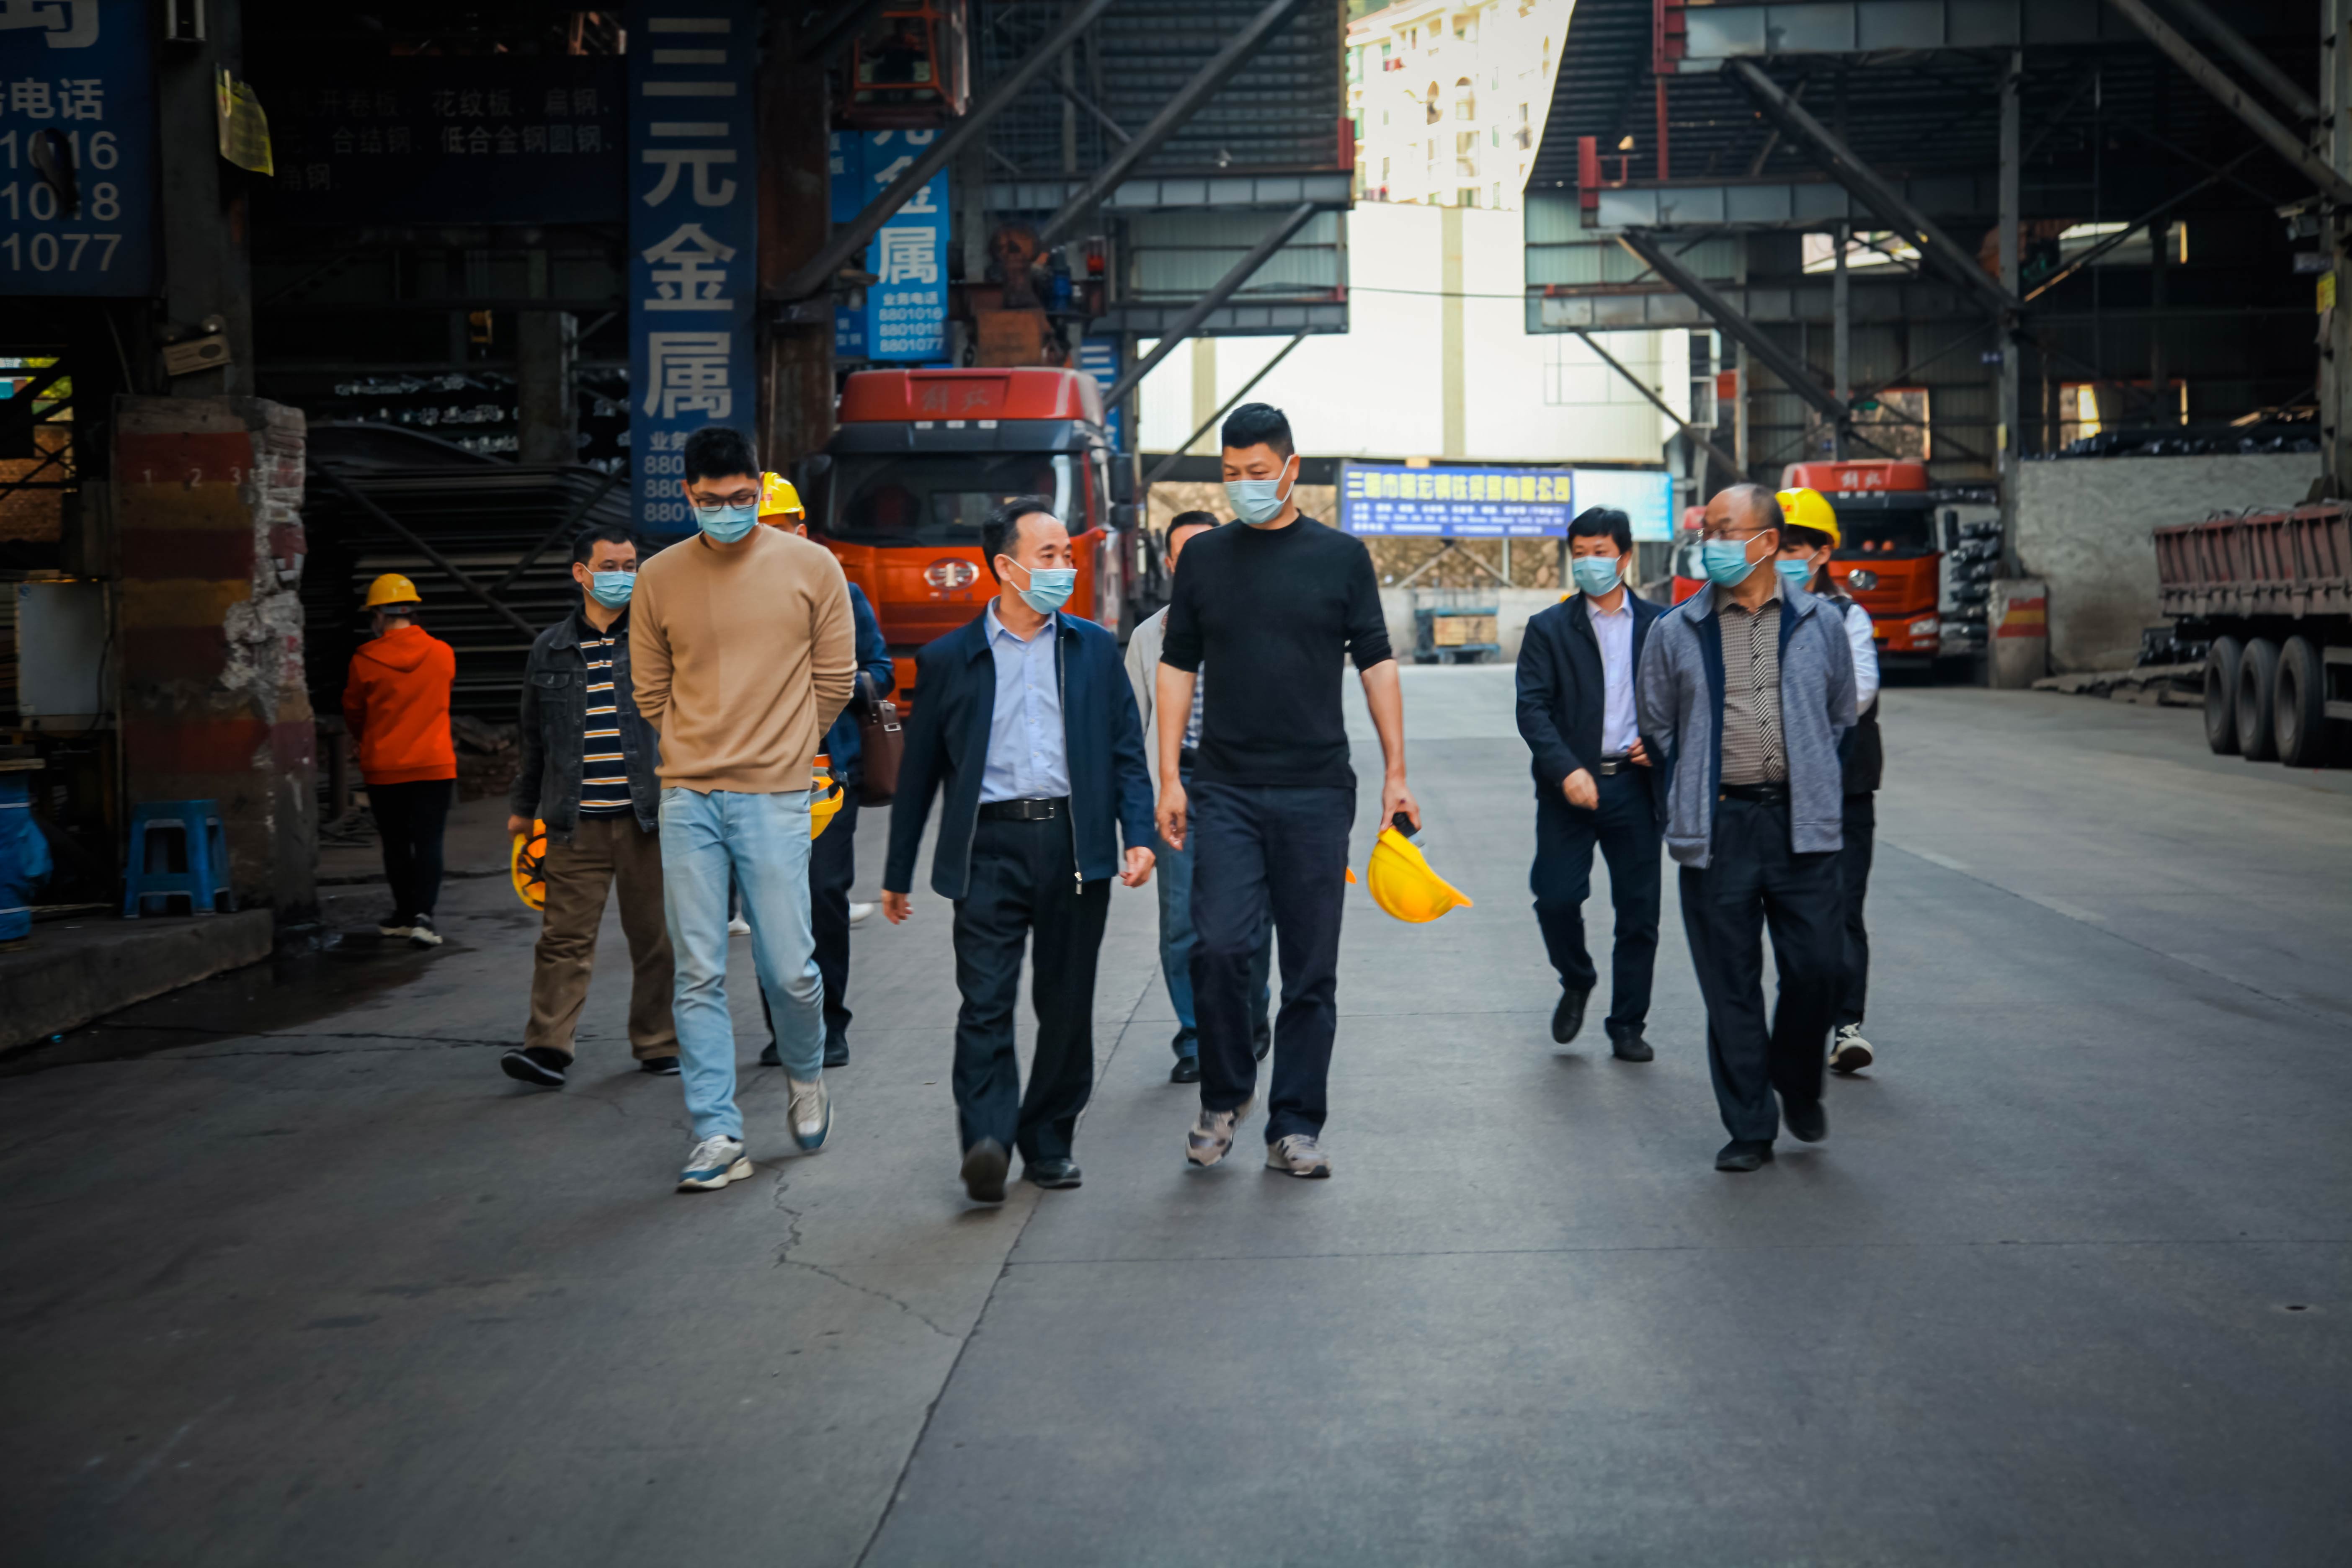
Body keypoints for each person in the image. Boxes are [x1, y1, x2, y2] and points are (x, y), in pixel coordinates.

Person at [1157, 403, 1418, 1181]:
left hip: (1316, 790)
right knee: (1218, 947)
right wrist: (1169, 776)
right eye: (1231, 474)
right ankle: (1225, 1094)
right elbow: (1177, 665)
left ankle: (1296, 1124)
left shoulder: (1340, 557)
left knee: (1310, 968)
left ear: (1291, 469)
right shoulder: (1204, 559)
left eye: (1258, 472)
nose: (1244, 485)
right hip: (1225, 787)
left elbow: (1377, 662)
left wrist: (1396, 772)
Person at [881, 497, 1155, 1203]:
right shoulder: (949, 659)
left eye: (1068, 554)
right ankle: (987, 1140)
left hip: (1073, 843)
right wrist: (897, 870)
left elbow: (1126, 751)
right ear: (1006, 567)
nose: (1065, 566)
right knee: (984, 1001)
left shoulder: (1093, 649)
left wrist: (1138, 834)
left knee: (1066, 1004)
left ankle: (1049, 1141)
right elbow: (920, 773)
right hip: (987, 848)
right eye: (1049, 555)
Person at [631, 426, 856, 1194]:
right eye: (710, 500)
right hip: (688, 793)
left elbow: (835, 677)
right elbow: (650, 686)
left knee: (789, 968)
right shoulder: (659, 576)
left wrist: (786, 750)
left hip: (775, 792)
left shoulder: (812, 567)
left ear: (759, 489)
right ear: (687, 495)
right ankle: (717, 1132)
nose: (726, 511)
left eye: (740, 498)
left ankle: (805, 1074)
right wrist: (693, 747)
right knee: (696, 969)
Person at [1638, 483, 1856, 1173]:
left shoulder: (1821, 623)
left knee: (1818, 967)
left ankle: (1796, 1075)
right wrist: (1693, 793)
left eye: (1725, 531)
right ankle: (1750, 1126)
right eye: (1708, 531)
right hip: (1719, 827)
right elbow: (1658, 725)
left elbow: (1840, 714)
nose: (1712, 544)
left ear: (1766, 541)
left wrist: (1810, 777)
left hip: (1801, 824)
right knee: (1729, 983)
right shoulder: (1676, 630)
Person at [499, 526, 678, 1088]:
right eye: (611, 566)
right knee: (563, 941)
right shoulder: (549, 649)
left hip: (648, 821)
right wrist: (523, 808)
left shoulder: (656, 640)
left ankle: (657, 1042)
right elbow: (534, 737)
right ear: (581, 573)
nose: (624, 576)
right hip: (574, 825)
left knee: (656, 941)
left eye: (631, 566)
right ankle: (548, 1049)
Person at [1123, 510, 1273, 1085]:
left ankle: (1251, 1016)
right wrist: (1139, 819)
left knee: (1251, 921)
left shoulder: (1260, 623)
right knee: (1183, 923)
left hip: (1248, 788)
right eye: (1186, 553)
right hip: (1180, 791)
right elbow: (1131, 730)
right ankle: (1195, 1037)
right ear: (1169, 565)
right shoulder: (1149, 637)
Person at [1514, 505, 1666, 1062]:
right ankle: (1576, 976)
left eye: (1600, 553)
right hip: (1569, 790)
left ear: (1625, 557)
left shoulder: (1662, 626)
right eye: (1579, 554)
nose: (1589, 563)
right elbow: (1532, 709)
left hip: (1635, 786)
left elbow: (1687, 700)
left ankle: (1627, 1024)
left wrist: (1662, 743)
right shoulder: (1549, 628)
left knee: (1639, 913)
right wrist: (1566, 769)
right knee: (1555, 898)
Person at [753, 478, 896, 1071]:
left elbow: (881, 669)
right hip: (754, 779)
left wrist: (843, 682)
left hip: (825, 778)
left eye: (777, 528)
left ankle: (829, 1023)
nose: (765, 540)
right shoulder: (727, 601)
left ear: (801, 531)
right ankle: (786, 1029)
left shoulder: (841, 592)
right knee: (767, 905)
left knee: (821, 898)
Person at [1774, 487, 1882, 1074]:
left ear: (1821, 554)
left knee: (1843, 907)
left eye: (1795, 548)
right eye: (1777, 545)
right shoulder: (1751, 616)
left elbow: (1858, 694)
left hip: (1843, 790)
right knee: (1791, 914)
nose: (1784, 557)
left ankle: (1847, 1026)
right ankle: (1800, 1020)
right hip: (1774, 793)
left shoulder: (1848, 617)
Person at [343, 573, 457, 949]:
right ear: (412, 611)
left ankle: (404, 916)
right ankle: (425, 918)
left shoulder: (364, 661)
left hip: (385, 767)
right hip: (434, 765)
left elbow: (354, 712)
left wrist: (368, 740)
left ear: (378, 615)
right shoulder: (443, 653)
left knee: (395, 842)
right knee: (429, 841)